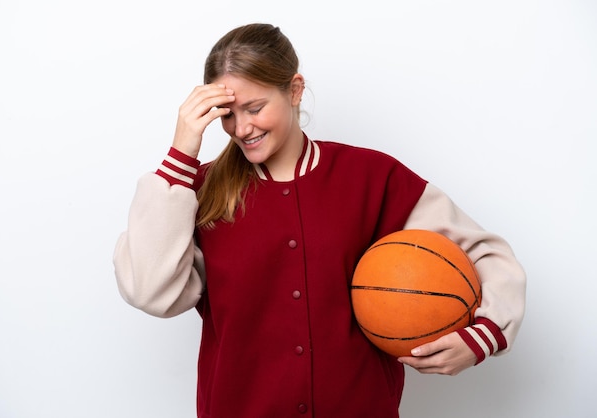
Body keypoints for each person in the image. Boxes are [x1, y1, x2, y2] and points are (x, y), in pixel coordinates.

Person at [113, 23, 526, 418]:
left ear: (294, 90)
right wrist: (182, 151)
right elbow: (149, 290)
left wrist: (483, 335)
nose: (241, 128)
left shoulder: (371, 176)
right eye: (226, 115)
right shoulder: (197, 192)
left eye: (255, 108)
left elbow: (483, 252)